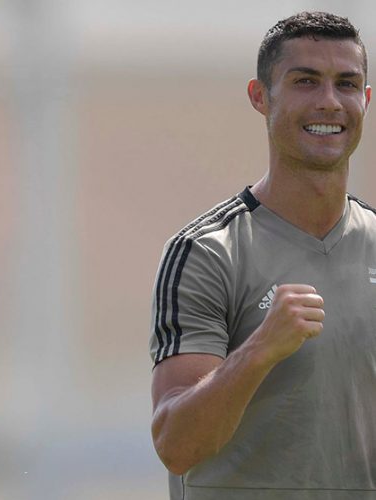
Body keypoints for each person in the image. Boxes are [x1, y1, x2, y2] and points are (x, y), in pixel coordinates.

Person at [149, 11, 376, 500]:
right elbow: (176, 445)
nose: (329, 101)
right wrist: (260, 349)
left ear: (366, 99)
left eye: (346, 83)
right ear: (260, 96)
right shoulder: (206, 252)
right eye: (305, 81)